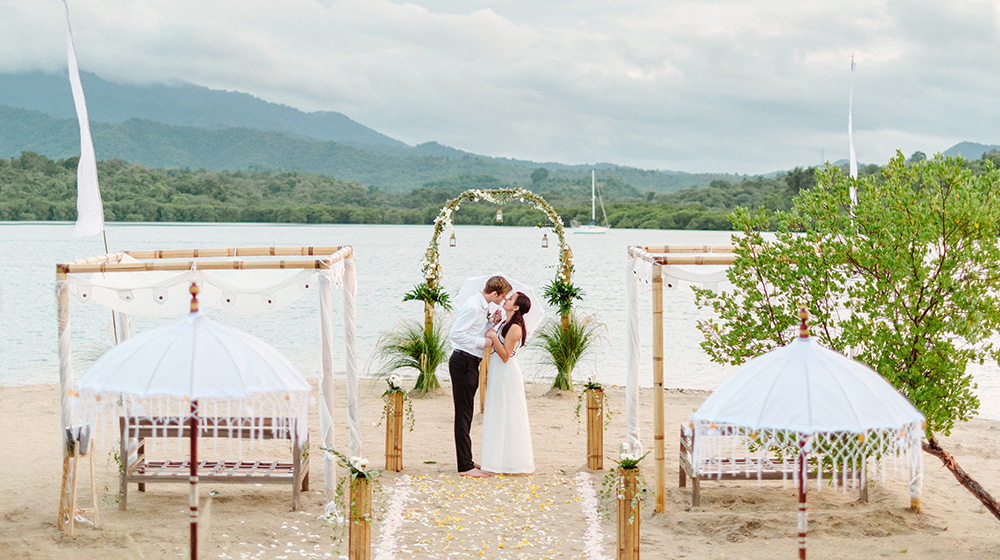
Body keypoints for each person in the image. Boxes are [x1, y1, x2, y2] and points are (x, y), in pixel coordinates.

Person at [448, 275, 511, 478]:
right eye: (502, 297)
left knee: (467, 413)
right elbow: (456, 334)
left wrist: (491, 325)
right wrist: (482, 343)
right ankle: (464, 466)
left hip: (469, 362)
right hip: (463, 361)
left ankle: (467, 459)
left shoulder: (482, 307)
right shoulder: (474, 306)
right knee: (464, 415)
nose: (503, 301)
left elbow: (475, 330)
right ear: (494, 293)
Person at [480, 292, 535, 474]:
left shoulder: (515, 328)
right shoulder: (505, 322)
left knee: (508, 413)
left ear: (517, 307)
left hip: (506, 373)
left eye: (511, 299)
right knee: (497, 412)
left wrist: (495, 337)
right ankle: (496, 461)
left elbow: (505, 355)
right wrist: (493, 324)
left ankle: (512, 462)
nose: (506, 299)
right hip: (497, 372)